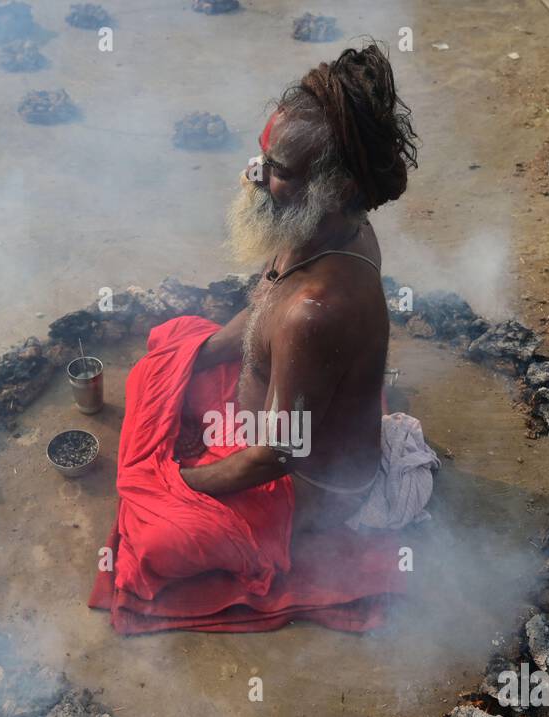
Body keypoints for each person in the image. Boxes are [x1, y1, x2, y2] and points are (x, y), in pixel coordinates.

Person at [180, 42, 421, 531]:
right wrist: (195, 357)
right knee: (173, 352)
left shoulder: (316, 312)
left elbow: (278, 453)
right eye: (262, 157)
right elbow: (268, 298)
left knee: (163, 538)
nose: (255, 174)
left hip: (310, 490)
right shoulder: (323, 224)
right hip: (281, 409)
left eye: (279, 171)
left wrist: (179, 482)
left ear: (338, 189)